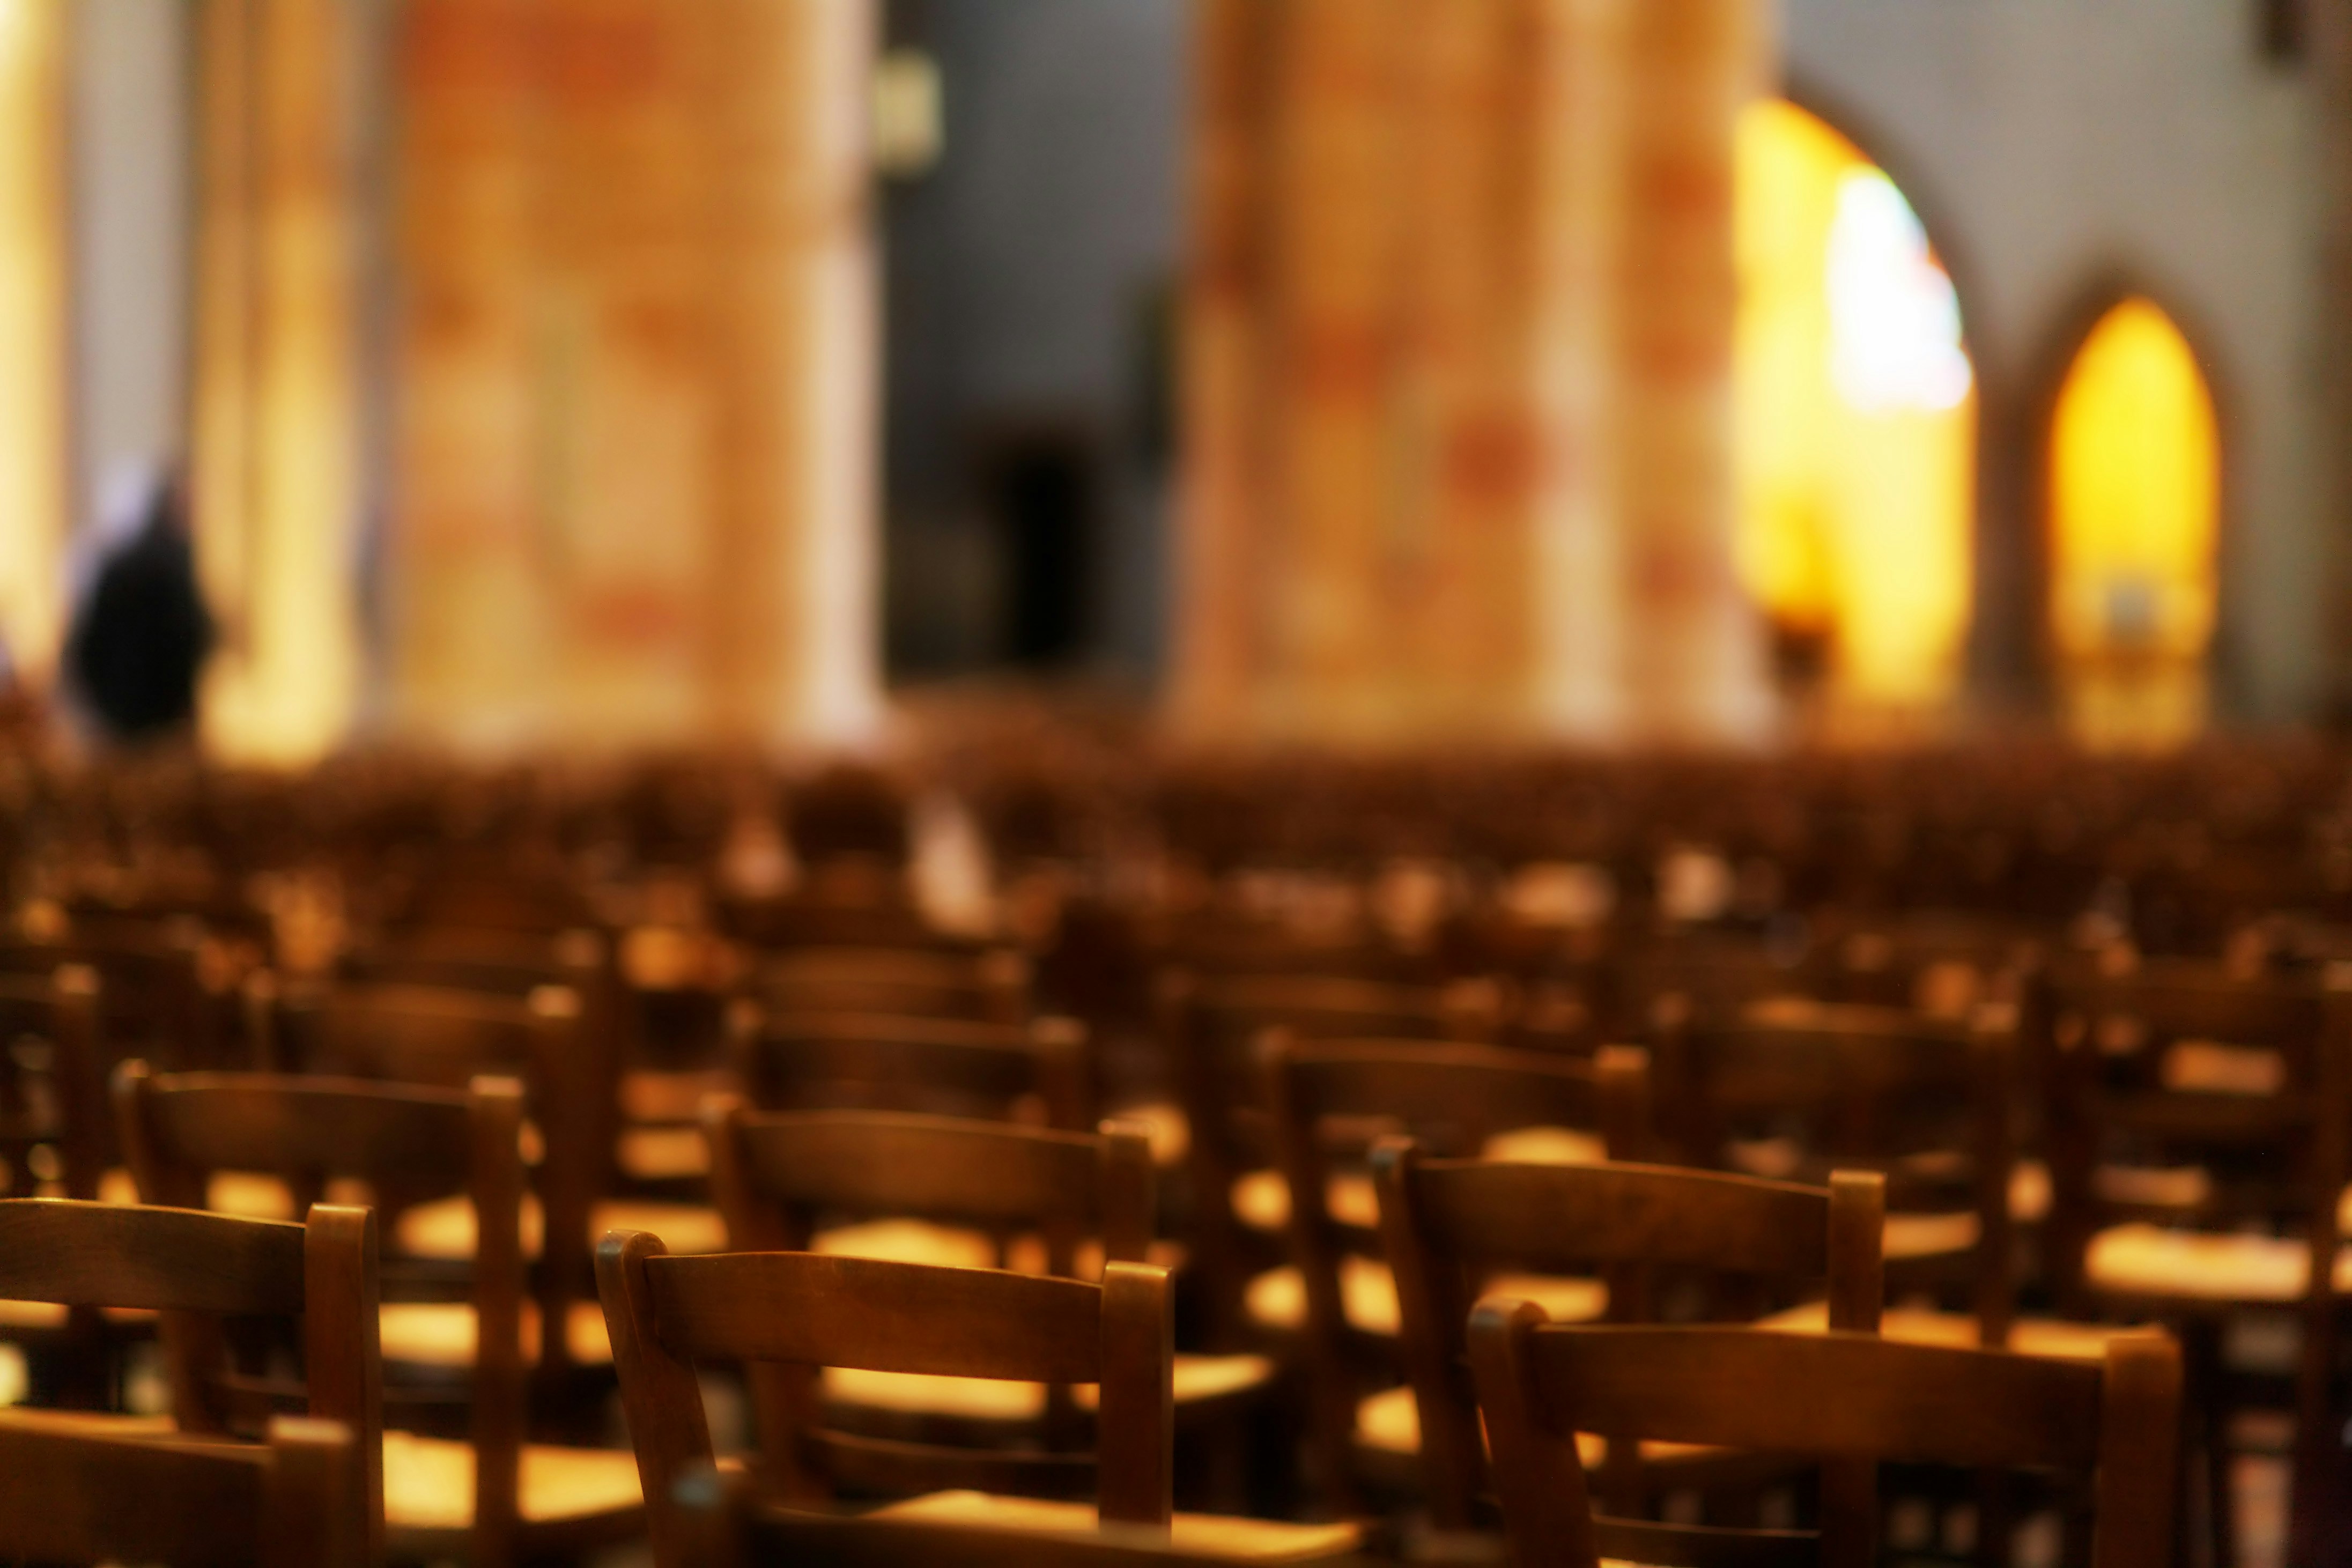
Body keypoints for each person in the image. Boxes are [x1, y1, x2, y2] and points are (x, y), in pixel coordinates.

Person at [64, 468, 212, 744]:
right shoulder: (174, 566)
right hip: (162, 720)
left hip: (117, 718)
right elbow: (190, 637)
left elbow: (85, 645)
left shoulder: (116, 566)